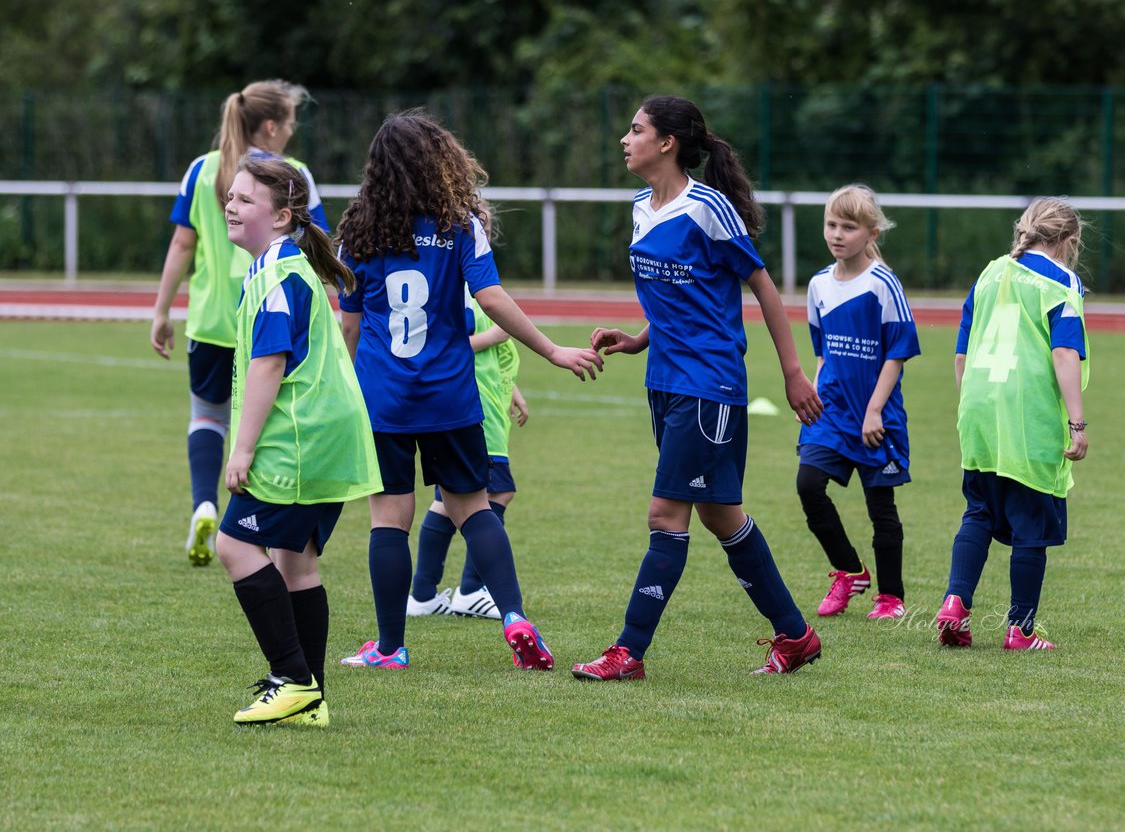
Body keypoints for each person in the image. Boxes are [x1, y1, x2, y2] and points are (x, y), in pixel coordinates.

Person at [335, 110, 603, 672]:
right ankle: (515, 618)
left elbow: (351, 328)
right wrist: (552, 350)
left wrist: (343, 393)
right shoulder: (459, 224)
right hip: (452, 396)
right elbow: (493, 298)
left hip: (385, 397)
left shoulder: (358, 230)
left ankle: (389, 648)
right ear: (441, 163)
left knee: (389, 518)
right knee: (474, 509)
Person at [573, 95, 825, 682]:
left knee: (666, 514)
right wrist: (638, 340)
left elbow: (760, 286)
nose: (624, 139)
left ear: (666, 143)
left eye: (635, 129)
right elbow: (684, 299)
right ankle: (796, 636)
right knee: (720, 515)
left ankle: (627, 652)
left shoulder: (708, 207)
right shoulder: (641, 207)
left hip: (709, 385)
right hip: (665, 380)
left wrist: (792, 373)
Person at [216, 157, 381, 726]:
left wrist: (242, 448)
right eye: (230, 197)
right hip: (326, 439)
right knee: (296, 563)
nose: (231, 206)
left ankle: (292, 678)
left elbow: (269, 364)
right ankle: (311, 699)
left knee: (234, 547)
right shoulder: (280, 267)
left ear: (283, 216)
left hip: (299, 441)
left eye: (244, 200)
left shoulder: (277, 274)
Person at [150, 80, 329, 567]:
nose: (293, 131)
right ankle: (264, 527)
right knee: (270, 421)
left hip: (211, 319)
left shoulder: (201, 168)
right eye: (291, 122)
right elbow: (318, 248)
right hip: (272, 319)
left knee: (208, 417)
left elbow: (182, 245)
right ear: (271, 125)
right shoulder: (293, 176)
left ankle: (205, 504)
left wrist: (162, 310)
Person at [936, 197, 1089, 651]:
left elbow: (962, 348)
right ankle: (1020, 630)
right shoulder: (1062, 282)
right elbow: (1064, 353)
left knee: (979, 511)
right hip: (1027, 414)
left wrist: (969, 407)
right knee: (1032, 523)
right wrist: (1077, 423)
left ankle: (954, 605)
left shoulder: (990, 272)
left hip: (979, 406)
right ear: (1070, 241)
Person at [798, 185, 920, 621]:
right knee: (808, 485)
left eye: (848, 227)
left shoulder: (883, 283)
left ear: (871, 234)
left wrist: (873, 410)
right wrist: (812, 391)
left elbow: (898, 353)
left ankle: (890, 597)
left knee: (880, 508)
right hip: (830, 411)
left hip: (876, 415)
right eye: (831, 224)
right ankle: (848, 571)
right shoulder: (817, 285)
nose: (837, 234)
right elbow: (822, 352)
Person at [407, 293, 528, 620]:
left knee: (450, 500)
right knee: (497, 492)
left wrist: (511, 388)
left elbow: (492, 356)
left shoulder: (474, 289)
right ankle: (472, 590)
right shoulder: (462, 289)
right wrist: (492, 336)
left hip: (484, 408)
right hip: (475, 412)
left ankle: (423, 594)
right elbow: (449, 345)